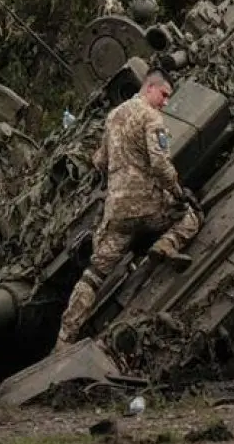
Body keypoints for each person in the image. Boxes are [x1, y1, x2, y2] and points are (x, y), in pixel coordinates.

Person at [53, 69, 202, 352]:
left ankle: (63, 340)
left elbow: (100, 161)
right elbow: (159, 164)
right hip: (149, 206)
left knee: (93, 275)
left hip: (117, 213)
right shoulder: (151, 117)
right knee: (190, 217)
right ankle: (165, 245)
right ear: (150, 88)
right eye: (164, 94)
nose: (166, 102)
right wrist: (178, 192)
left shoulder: (113, 117)